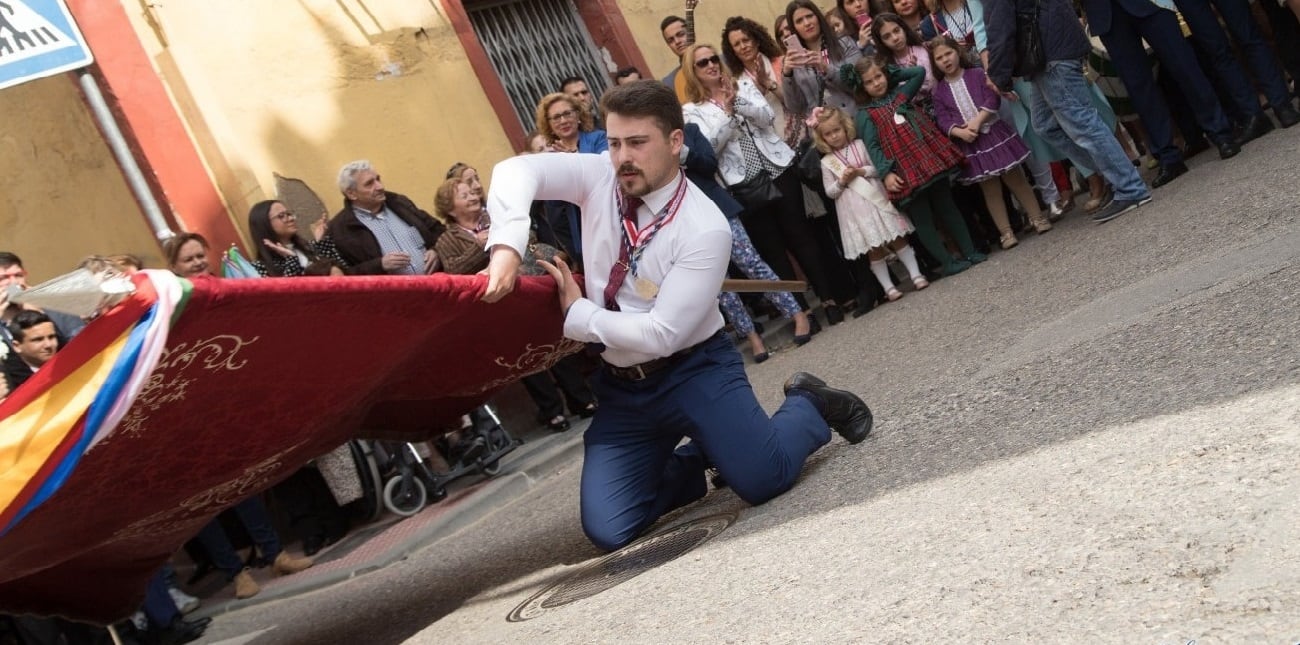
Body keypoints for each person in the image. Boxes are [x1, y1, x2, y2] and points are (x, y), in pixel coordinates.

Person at [480, 80, 873, 551]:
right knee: (608, 528)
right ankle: (707, 458)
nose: (622, 157)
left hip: (694, 370)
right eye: (614, 142)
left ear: (674, 142)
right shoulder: (599, 176)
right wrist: (506, 246)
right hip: (624, 389)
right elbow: (515, 170)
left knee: (765, 480)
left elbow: (662, 333)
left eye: (638, 143)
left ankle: (807, 405)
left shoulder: (703, 226)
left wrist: (581, 316)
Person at [682, 43, 854, 324]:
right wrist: (727, 114)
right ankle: (801, 311)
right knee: (772, 250)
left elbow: (767, 117)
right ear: (693, 71)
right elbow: (709, 148)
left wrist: (736, 101)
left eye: (714, 59)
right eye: (703, 63)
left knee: (801, 237)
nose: (712, 65)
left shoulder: (742, 85)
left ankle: (828, 299)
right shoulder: (691, 111)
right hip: (742, 183)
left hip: (777, 168)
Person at [433, 175, 599, 430]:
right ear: (449, 207)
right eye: (464, 195)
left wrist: (503, 242)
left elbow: (528, 235)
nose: (473, 197)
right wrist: (481, 247)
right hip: (497, 305)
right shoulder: (447, 239)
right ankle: (552, 411)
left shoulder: (495, 217)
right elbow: (454, 269)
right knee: (523, 357)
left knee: (552, 343)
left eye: (473, 192)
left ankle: (582, 400)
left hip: (529, 287)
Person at [984, 0, 1153, 224]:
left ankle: (1129, 187)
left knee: (1083, 123)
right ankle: (1117, 176)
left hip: (1049, 52)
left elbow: (1001, 26)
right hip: (1052, 47)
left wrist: (998, 76)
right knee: (1046, 125)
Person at [1073, 0, 1240, 188]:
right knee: (1139, 87)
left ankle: (1221, 133)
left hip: (1152, 4)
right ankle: (1168, 156)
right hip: (1104, 12)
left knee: (1185, 66)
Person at [849, 60, 986, 275]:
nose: (876, 83)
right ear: (861, 87)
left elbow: (919, 72)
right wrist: (886, 174)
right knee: (923, 218)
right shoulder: (866, 115)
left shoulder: (901, 94)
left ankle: (969, 251)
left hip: (927, 159)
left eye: (879, 76)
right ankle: (948, 263)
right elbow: (872, 146)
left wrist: (891, 73)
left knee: (947, 206)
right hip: (903, 170)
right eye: (869, 82)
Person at [929, 36, 1052, 249]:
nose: (945, 60)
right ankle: (1005, 232)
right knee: (990, 189)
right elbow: (942, 118)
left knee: (1016, 179)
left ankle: (1037, 217)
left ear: (957, 52)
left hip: (994, 133)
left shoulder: (977, 74)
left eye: (948, 53)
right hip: (972, 144)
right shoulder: (939, 91)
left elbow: (992, 98)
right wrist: (959, 132)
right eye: (939, 58)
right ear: (935, 63)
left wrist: (978, 120)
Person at [810, 107, 929, 306]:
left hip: (876, 201)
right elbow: (829, 192)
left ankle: (916, 275)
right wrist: (841, 182)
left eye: (836, 130)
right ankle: (888, 288)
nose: (834, 136)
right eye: (828, 134)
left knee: (897, 236)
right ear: (823, 139)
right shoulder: (826, 163)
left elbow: (877, 168)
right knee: (873, 248)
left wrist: (860, 171)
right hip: (855, 212)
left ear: (845, 127)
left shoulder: (860, 145)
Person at [324, 160, 445, 275]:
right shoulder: (340, 229)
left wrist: (436, 251)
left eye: (378, 179)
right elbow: (344, 275)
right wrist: (379, 265)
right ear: (351, 193)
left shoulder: (400, 203)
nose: (379, 186)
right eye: (369, 184)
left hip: (435, 288)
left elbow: (439, 230)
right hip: (392, 295)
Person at [534, 92, 609, 271]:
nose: (563, 120)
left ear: (578, 115)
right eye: (557, 117)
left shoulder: (599, 138)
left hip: (610, 222)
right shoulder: (552, 159)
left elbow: (605, 172)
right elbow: (556, 216)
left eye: (568, 113)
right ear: (550, 125)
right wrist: (576, 251)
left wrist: (573, 160)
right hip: (585, 244)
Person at [781, 0, 865, 117]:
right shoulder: (795, 59)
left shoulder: (844, 43)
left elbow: (860, 83)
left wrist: (826, 68)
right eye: (799, 21)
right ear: (794, 28)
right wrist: (787, 75)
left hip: (855, 116)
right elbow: (796, 107)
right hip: (823, 130)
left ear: (818, 17)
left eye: (809, 16)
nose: (807, 23)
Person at [0, 252, 85, 346]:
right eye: (3, 278)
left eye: (18, 275)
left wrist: (41, 315)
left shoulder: (57, 307)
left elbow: (82, 344)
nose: (14, 282)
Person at [247, 201, 346, 276]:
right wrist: (291, 259)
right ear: (265, 225)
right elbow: (288, 294)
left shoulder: (309, 246)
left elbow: (344, 269)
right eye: (281, 216)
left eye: (289, 214)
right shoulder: (260, 267)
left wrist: (322, 244)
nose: (290, 219)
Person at [660, 1, 699, 102]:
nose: (677, 42)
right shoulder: (669, 83)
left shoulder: (718, 61)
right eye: (671, 40)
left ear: (691, 33)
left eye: (681, 34)